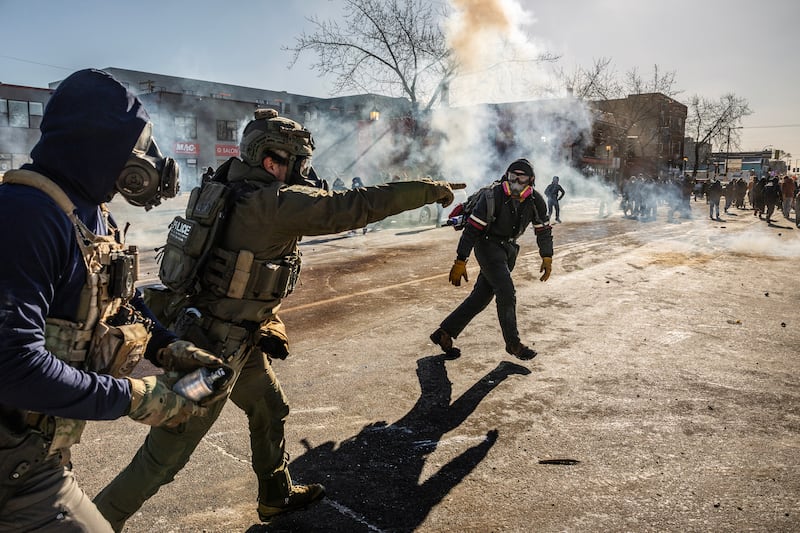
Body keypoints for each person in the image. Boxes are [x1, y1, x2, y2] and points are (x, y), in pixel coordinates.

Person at [93, 108, 455, 528]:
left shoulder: (226, 185)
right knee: (164, 456)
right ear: (272, 161)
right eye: (299, 162)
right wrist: (428, 189)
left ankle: (275, 495)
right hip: (214, 357)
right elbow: (354, 207)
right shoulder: (274, 202)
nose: (305, 171)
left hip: (235, 340)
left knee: (269, 408)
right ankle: (90, 524)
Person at [0, 69, 214, 531]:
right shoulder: (26, 216)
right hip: (15, 469)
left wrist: (166, 347)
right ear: (99, 142)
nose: (143, 160)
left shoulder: (92, 213)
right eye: (134, 144)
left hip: (35, 452)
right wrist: (134, 397)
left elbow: (122, 301)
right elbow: (11, 365)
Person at [430, 158, 553, 360]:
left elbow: (543, 231)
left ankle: (444, 333)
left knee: (480, 298)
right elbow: (471, 231)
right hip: (487, 245)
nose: (516, 183)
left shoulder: (535, 201)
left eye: (521, 179)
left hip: (509, 249)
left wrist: (547, 256)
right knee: (506, 291)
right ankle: (513, 344)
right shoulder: (492, 197)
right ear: (507, 176)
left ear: (531, 181)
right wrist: (461, 260)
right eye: (513, 177)